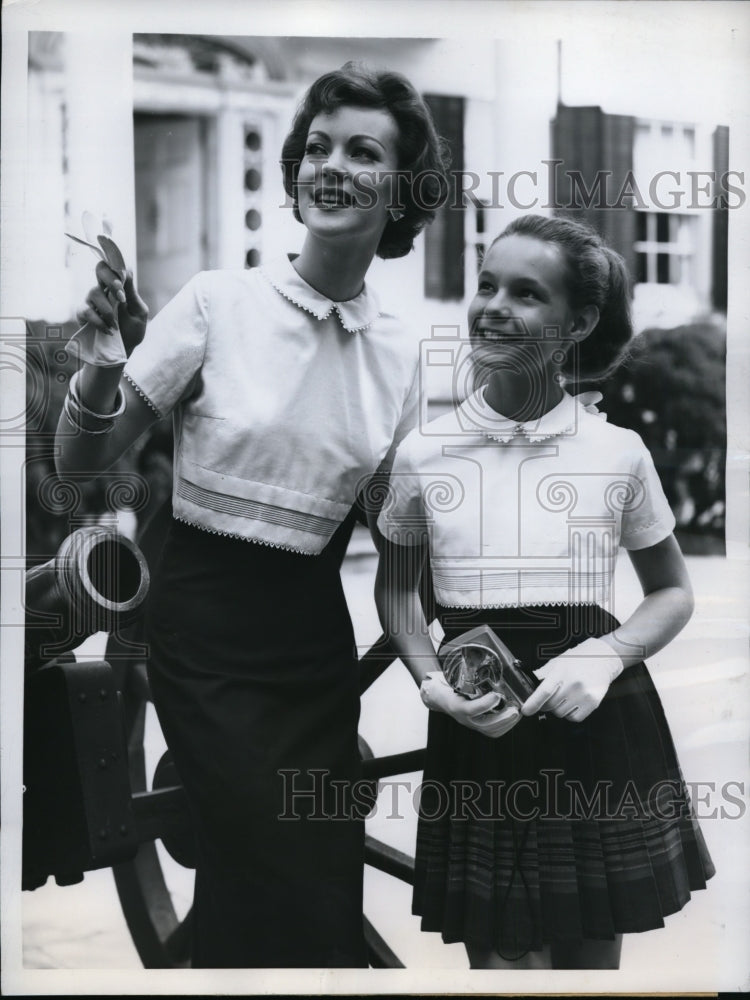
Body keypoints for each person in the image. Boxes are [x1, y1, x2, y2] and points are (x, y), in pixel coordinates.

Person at [55, 62, 450, 969]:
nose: (332, 167)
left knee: (308, 864)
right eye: (317, 148)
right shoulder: (215, 303)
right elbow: (82, 459)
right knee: (268, 852)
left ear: (403, 190)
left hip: (311, 643)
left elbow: (405, 530)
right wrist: (104, 365)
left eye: (363, 151)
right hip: (198, 627)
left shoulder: (401, 352)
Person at [376, 214, 715, 970]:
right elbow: (398, 593)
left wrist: (609, 653)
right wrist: (431, 683)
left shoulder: (616, 451)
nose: (494, 306)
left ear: (579, 322)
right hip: (480, 725)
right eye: (487, 284)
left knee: (589, 959)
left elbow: (670, 592)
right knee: (498, 967)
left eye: (527, 294)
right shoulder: (426, 453)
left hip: (596, 722)